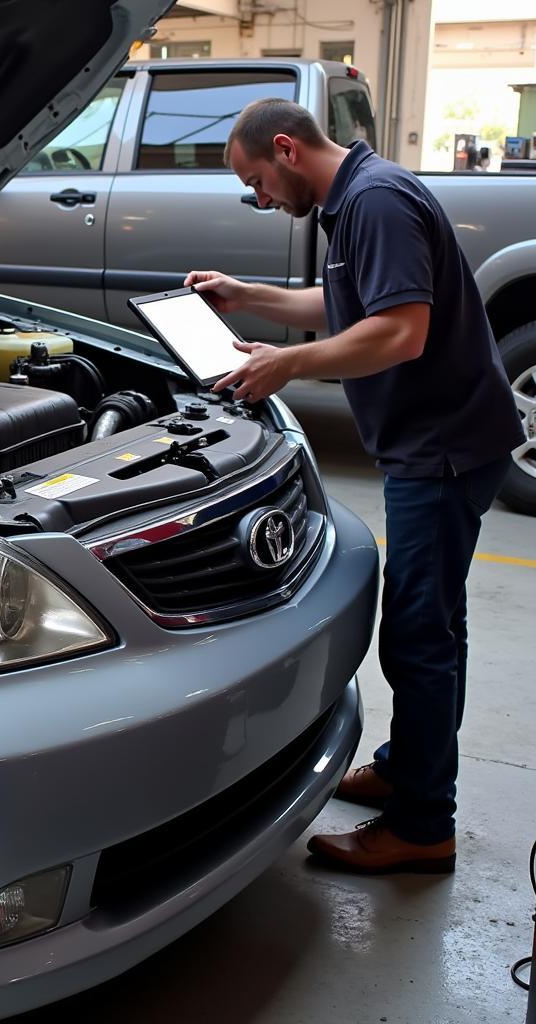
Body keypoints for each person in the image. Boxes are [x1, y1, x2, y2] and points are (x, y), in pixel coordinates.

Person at [184, 98, 523, 874]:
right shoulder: (360, 197)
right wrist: (250, 299)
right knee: (434, 624)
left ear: (284, 149)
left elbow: (401, 330)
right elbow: (350, 305)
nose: (262, 200)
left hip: (439, 448)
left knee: (418, 637)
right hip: (442, 439)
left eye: (257, 183)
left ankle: (423, 823)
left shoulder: (373, 202)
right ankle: (412, 770)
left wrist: (286, 364)